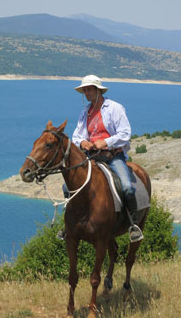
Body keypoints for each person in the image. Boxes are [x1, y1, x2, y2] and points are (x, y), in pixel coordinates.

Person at [58, 75, 143, 242]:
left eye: (90, 89)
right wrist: (83, 142)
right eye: (85, 90)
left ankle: (133, 224)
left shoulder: (115, 108)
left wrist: (105, 142)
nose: (87, 92)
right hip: (92, 157)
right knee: (67, 187)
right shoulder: (85, 113)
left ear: (98, 90)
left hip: (113, 156)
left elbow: (125, 134)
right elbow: (77, 135)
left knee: (126, 186)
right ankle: (68, 225)